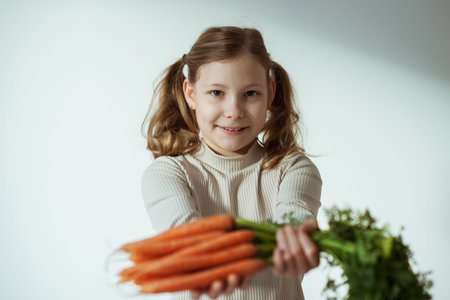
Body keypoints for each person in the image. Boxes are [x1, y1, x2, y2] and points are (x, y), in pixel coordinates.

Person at [140, 26, 322, 299]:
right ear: (191, 94)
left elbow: (294, 218)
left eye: (250, 94)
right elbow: (188, 244)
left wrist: (296, 236)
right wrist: (208, 260)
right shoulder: (167, 173)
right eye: (216, 93)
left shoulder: (294, 169)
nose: (234, 111)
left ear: (270, 92)